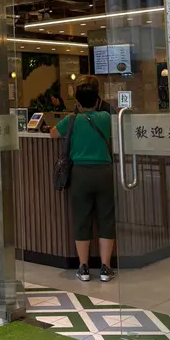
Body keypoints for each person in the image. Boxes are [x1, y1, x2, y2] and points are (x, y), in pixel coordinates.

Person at [50, 79, 115, 283]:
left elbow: (53, 133)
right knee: (106, 219)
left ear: (78, 102)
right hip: (104, 173)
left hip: (80, 174)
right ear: (97, 100)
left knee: (81, 220)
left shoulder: (72, 120)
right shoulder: (106, 117)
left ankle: (83, 268)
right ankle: (105, 268)